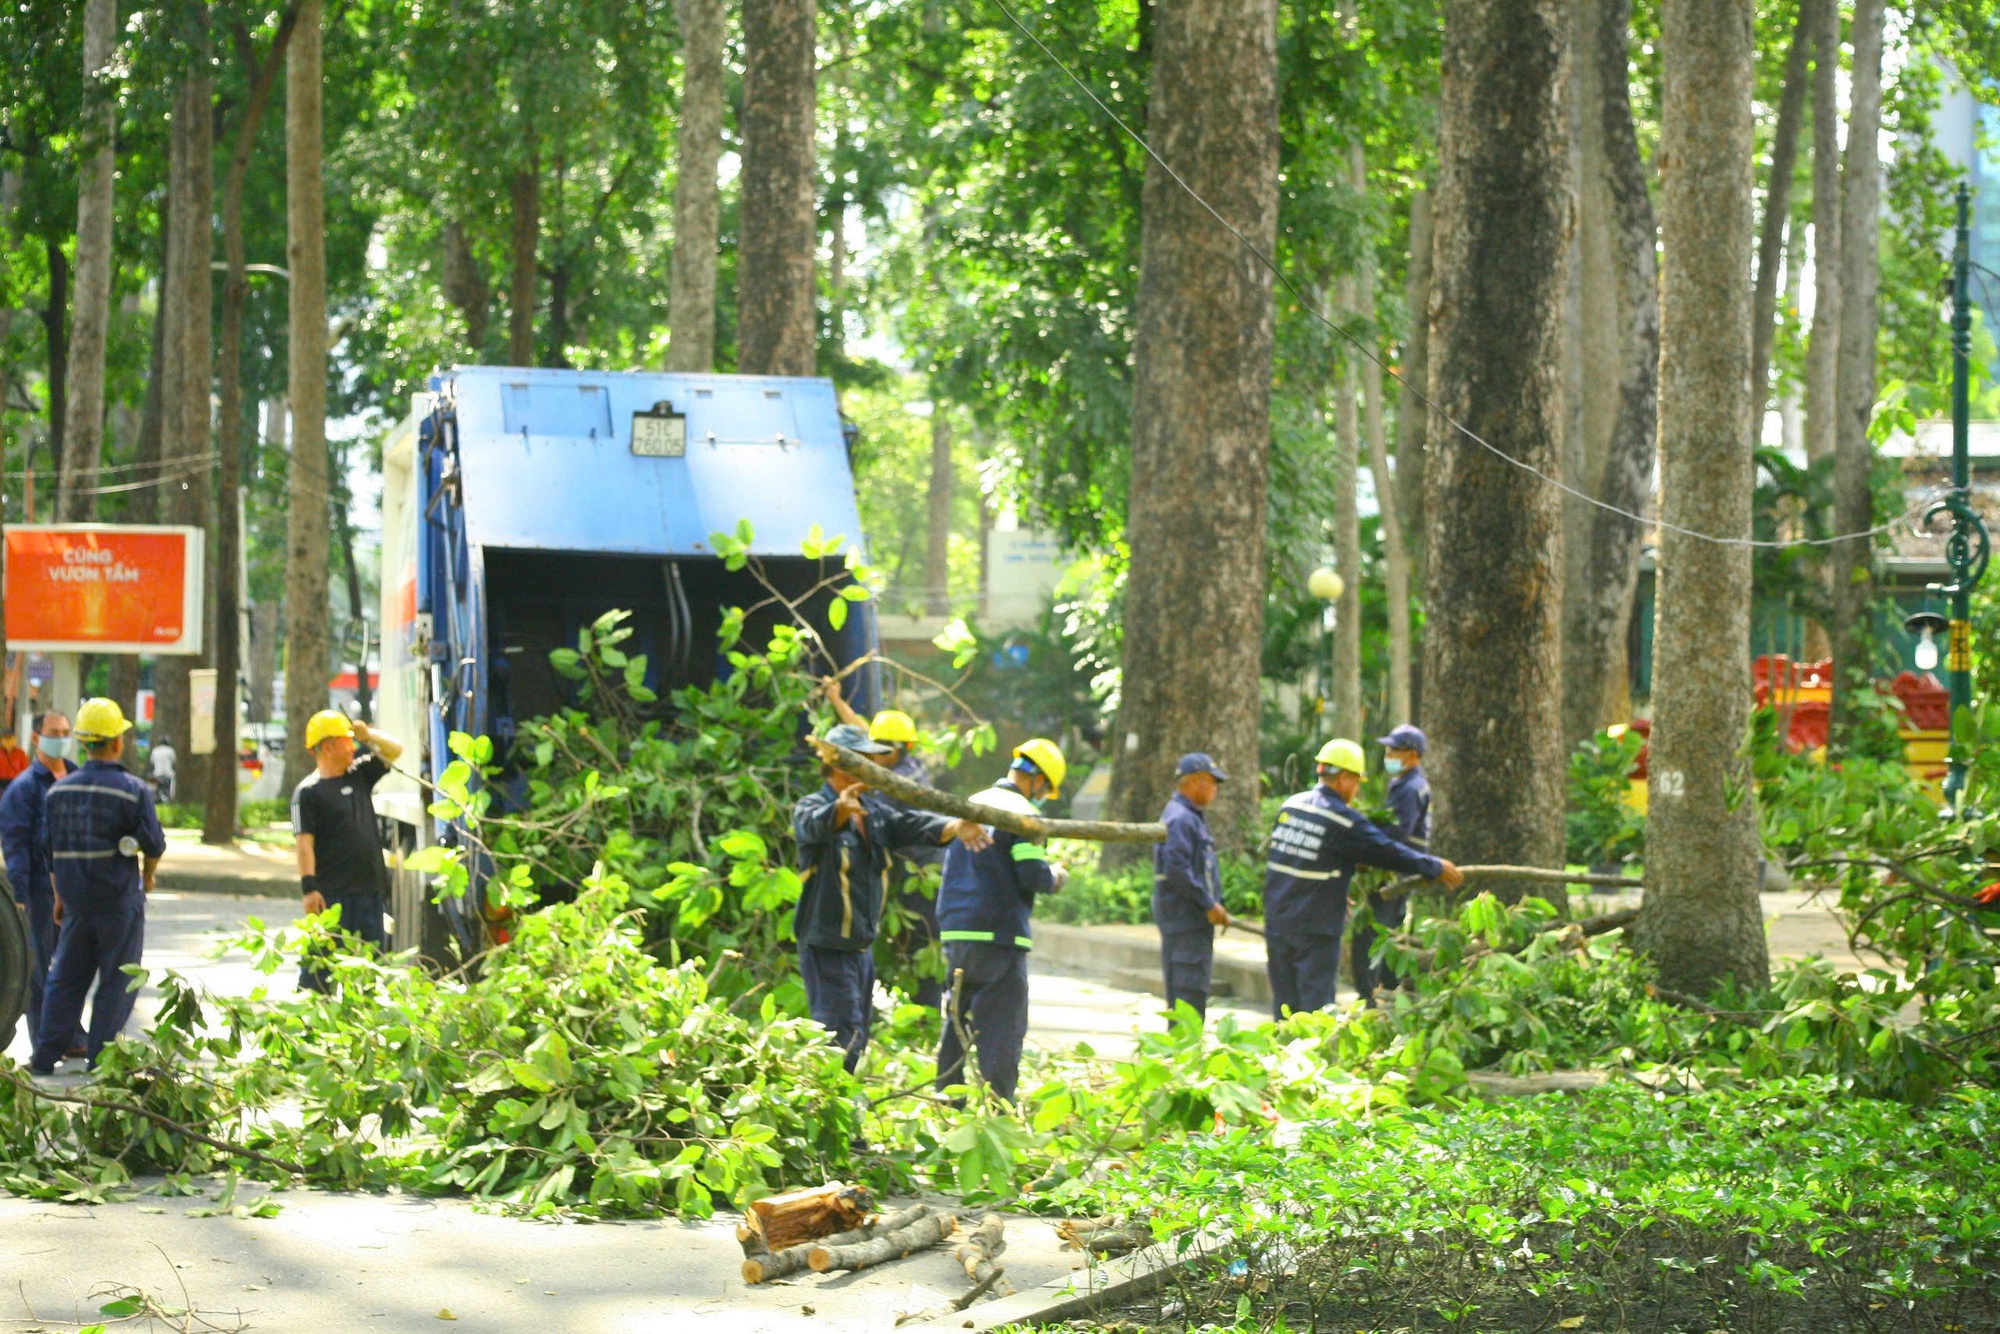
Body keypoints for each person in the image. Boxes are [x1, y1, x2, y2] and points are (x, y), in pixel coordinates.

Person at [792, 723, 990, 1071]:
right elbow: (812, 826)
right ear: (841, 765)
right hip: (828, 945)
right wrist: (840, 810)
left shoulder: (875, 813)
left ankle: (840, 1103)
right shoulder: (812, 806)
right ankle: (829, 1110)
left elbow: (915, 825)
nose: (876, 768)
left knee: (858, 1035)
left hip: (861, 947)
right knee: (839, 1039)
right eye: (867, 760)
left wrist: (956, 826)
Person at [1261, 738, 1463, 1020]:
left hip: (1278, 919)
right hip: (1314, 927)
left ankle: (1279, 1057)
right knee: (1314, 1009)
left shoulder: (1291, 806)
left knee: (1284, 1003)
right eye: (1356, 782)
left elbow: (1295, 858)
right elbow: (1384, 850)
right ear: (1344, 778)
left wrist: (1331, 890)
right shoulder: (1342, 819)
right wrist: (1433, 866)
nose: (1355, 790)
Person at [29, 699, 167, 1073]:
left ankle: (43, 1058)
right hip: (118, 903)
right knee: (117, 981)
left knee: (66, 980)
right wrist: (148, 876)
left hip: (74, 903)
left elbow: (49, 850)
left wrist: (59, 898)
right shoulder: (132, 790)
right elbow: (154, 843)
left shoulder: (58, 793)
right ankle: (100, 1060)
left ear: (82, 743)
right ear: (117, 743)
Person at [934, 738, 1070, 1103]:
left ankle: (948, 1103)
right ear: (1039, 780)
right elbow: (1031, 875)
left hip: (955, 929)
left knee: (957, 1017)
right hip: (999, 932)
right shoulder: (1024, 814)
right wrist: (1055, 875)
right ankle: (999, 1111)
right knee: (1002, 1028)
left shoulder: (973, 802)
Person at [822, 679, 949, 1007]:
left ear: (899, 749)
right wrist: (837, 700)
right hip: (902, 868)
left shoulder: (902, 779)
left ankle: (925, 1015)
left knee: (920, 941)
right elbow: (862, 729)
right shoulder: (889, 759)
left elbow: (879, 819)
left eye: (881, 750)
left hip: (922, 871)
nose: (873, 756)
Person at [292, 710, 404, 992]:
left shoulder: (360, 776)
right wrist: (309, 889)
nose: (353, 747)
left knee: (367, 977)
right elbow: (304, 844)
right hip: (331, 899)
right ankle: (312, 1031)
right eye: (347, 741)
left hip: (369, 894)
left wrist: (369, 735)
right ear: (328, 746)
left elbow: (396, 749)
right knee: (319, 976)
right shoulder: (308, 793)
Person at [0, 711, 81, 1054]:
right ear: (36, 738)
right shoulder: (24, 789)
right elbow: (15, 843)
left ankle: (71, 1035)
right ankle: (45, 1041)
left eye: (65, 732)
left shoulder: (78, 776)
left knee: (73, 965)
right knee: (39, 969)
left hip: (77, 888)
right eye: (54, 732)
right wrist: (19, 895)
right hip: (38, 890)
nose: (60, 738)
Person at [1351, 724, 1433, 1003]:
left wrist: (1368, 851)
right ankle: (1387, 996)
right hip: (1399, 871)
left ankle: (1370, 1001)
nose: (1388, 754)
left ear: (1412, 755)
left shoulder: (1410, 788)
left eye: (1393, 750)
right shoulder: (1405, 783)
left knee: (1370, 937)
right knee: (1387, 933)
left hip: (1394, 873)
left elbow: (1399, 831)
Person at [1152, 752, 1232, 1019]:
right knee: (1188, 996)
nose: (1215, 790)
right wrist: (1208, 904)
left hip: (1188, 921)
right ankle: (1185, 1055)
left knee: (1187, 995)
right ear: (1195, 780)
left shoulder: (1187, 816)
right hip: (1187, 921)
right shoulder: (1182, 819)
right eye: (1212, 782)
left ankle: (1184, 1054)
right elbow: (1177, 869)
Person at [148, 732, 177, 802]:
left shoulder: (155, 750)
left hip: (157, 773)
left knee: (152, 785)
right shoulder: (170, 750)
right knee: (172, 784)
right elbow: (174, 761)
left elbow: (152, 761)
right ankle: (170, 798)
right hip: (168, 774)